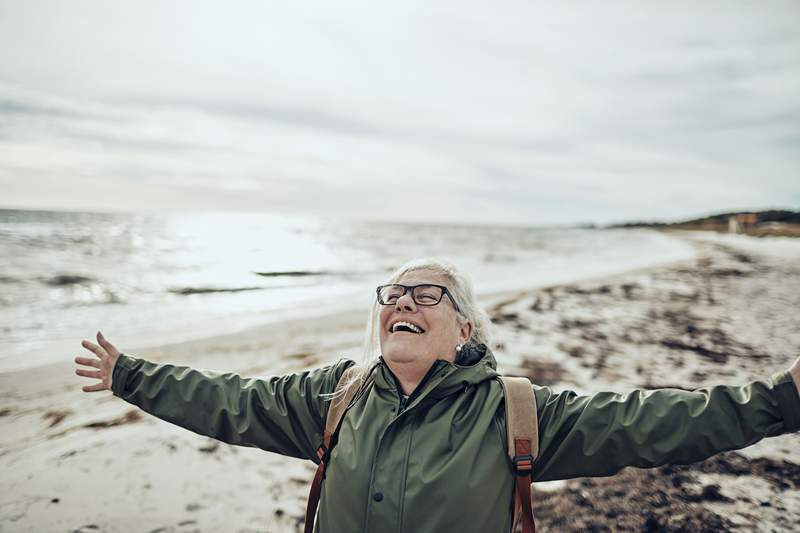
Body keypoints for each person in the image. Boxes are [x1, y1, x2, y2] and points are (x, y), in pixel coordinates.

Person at [75, 258, 800, 533]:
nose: (403, 301)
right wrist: (131, 375)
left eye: (428, 292)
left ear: (464, 327)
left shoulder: (515, 412)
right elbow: (231, 400)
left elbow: (653, 422)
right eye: (393, 293)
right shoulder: (337, 394)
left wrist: (780, 398)